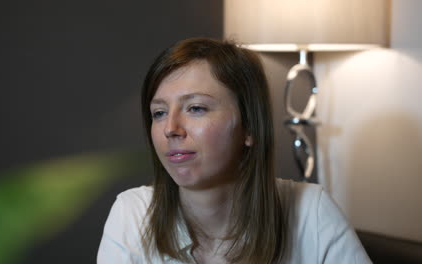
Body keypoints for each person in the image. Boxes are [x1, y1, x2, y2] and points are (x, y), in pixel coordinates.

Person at [96, 38, 371, 264]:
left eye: (196, 108)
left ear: (249, 126)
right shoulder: (132, 214)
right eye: (158, 112)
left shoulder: (312, 212)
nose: (170, 128)